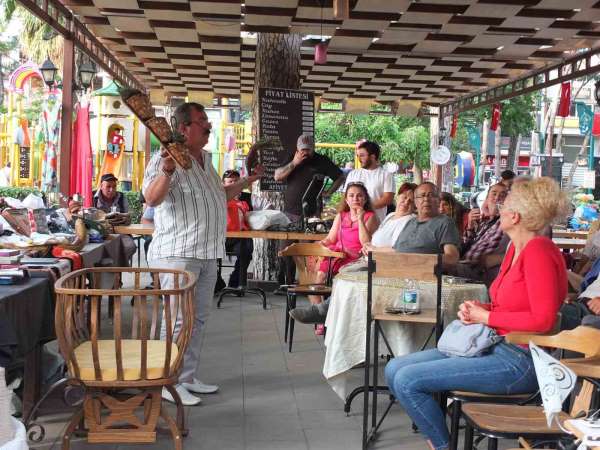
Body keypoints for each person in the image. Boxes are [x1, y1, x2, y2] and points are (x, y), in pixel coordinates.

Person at [384, 176, 568, 450]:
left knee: (408, 380)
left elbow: (543, 319)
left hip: (522, 361)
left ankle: (441, 445)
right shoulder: (515, 250)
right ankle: (441, 441)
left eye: (502, 206)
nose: (497, 210)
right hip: (495, 345)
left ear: (514, 216)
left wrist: (487, 318)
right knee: (393, 368)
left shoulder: (538, 250)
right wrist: (482, 309)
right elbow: (513, 306)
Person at [142, 102, 263, 406]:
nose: (208, 126)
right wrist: (168, 170)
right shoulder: (165, 158)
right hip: (177, 253)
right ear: (183, 128)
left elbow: (219, 195)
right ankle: (166, 382)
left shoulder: (206, 160)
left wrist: (247, 181)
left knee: (199, 319)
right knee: (177, 320)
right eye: (202, 121)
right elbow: (152, 199)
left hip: (208, 252)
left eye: (207, 121)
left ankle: (185, 377)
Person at [274, 133, 345, 288]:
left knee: (306, 251)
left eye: (308, 150)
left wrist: (329, 192)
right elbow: (277, 176)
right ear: (297, 149)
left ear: (314, 148)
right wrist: (294, 162)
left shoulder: (322, 161)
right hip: (290, 212)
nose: (305, 153)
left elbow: (340, 177)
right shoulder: (291, 157)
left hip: (311, 213)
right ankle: (286, 283)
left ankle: (306, 284)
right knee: (285, 250)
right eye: (302, 150)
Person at [308, 182, 378, 335]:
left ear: (365, 199)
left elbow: (365, 243)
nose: (355, 199)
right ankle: (320, 317)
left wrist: (360, 219)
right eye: (351, 196)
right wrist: (320, 243)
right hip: (338, 255)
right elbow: (331, 238)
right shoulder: (341, 216)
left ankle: (331, 317)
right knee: (317, 279)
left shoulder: (370, 217)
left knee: (338, 281)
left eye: (359, 196)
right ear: (346, 200)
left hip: (356, 258)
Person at [390, 182, 460, 267]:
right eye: (422, 196)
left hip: (424, 274)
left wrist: (420, 260)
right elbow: (396, 250)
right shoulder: (409, 222)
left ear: (438, 200)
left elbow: (452, 258)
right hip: (397, 270)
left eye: (431, 195)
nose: (426, 199)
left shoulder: (445, 223)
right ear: (415, 202)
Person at [452, 183, 510, 284]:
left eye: (502, 195)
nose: (497, 198)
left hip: (480, 273)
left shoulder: (508, 221)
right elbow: (463, 247)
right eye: (494, 194)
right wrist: (470, 227)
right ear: (487, 198)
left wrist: (497, 258)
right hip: (464, 264)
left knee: (439, 267)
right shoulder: (484, 222)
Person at [344, 140, 395, 223]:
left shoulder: (386, 175)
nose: (359, 159)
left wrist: (364, 207)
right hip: (353, 222)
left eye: (362, 155)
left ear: (373, 156)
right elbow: (344, 197)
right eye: (358, 156)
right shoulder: (353, 174)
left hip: (376, 222)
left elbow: (388, 198)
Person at [221, 169, 254, 289]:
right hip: (221, 237)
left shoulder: (246, 199)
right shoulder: (220, 197)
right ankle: (217, 283)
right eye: (230, 181)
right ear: (223, 184)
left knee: (247, 247)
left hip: (240, 237)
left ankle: (237, 282)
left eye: (236, 181)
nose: (234, 184)